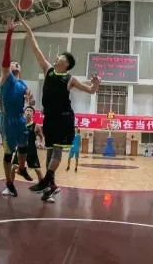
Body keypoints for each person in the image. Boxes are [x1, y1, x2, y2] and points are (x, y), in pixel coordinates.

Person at [20, 15, 100, 203]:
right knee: (49, 153)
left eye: (61, 56)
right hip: (49, 118)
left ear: (66, 63)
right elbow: (36, 49)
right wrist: (28, 30)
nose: (57, 57)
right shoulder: (48, 69)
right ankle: (51, 186)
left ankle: (46, 181)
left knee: (56, 152)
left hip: (64, 118)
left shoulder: (70, 79)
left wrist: (96, 84)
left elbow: (90, 90)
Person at [0, 19, 34, 198]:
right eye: (12, 63)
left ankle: (22, 168)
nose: (14, 63)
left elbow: (30, 99)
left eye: (17, 63)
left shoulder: (23, 84)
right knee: (8, 153)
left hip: (20, 118)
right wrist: (10, 33)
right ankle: (9, 182)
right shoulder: (7, 77)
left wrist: (31, 100)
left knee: (24, 146)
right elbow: (6, 57)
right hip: (7, 120)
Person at [17, 106, 44, 187]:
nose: (28, 112)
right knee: (13, 167)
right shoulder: (19, 124)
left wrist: (41, 143)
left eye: (30, 111)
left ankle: (43, 185)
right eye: (27, 110)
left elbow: (41, 137)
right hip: (21, 149)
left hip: (31, 150)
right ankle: (10, 186)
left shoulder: (36, 126)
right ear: (24, 113)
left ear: (33, 114)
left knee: (38, 170)